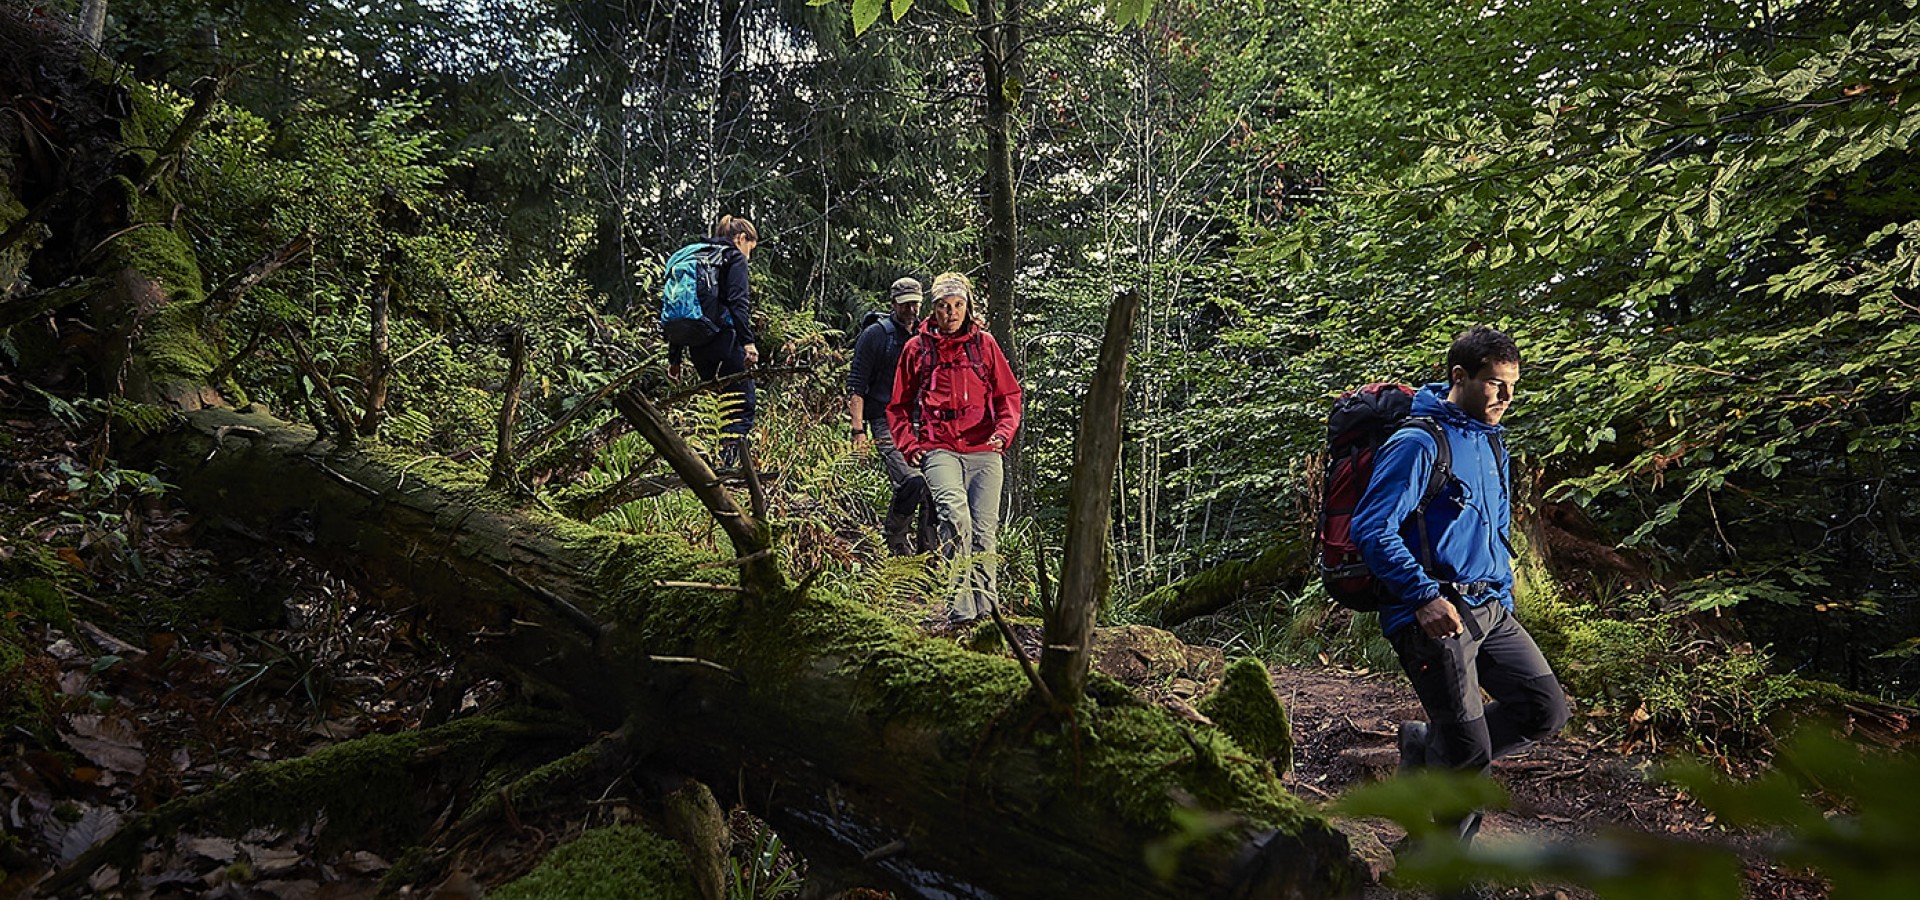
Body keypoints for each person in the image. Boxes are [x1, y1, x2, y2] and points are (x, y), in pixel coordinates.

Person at [1350, 325, 1569, 845]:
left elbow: (1494, 533)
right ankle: (1444, 861)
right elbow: (1371, 529)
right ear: (1459, 377)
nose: (1507, 398)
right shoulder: (1419, 443)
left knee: (1544, 709)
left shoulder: (1492, 444)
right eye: (1496, 384)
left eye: (1513, 386)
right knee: (1470, 752)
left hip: (1491, 608)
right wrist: (1423, 595)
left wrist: (1506, 599)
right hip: (1433, 614)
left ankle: (1428, 745)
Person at [887, 272, 1022, 625]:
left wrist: (1003, 433)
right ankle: (960, 610)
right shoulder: (917, 348)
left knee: (983, 530)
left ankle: (987, 611)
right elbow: (898, 405)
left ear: (968, 305)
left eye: (958, 305)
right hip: (939, 446)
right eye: (945, 306)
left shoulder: (984, 345)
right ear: (933, 309)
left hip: (985, 448)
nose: (951, 313)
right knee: (954, 516)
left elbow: (1009, 395)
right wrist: (908, 444)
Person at [848, 277, 932, 556]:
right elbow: (857, 386)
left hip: (924, 419)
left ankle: (928, 554)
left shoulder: (926, 335)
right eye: (905, 303)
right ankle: (894, 541)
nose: (910, 309)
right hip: (886, 419)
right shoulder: (876, 335)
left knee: (935, 485)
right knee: (911, 480)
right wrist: (858, 431)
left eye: (915, 303)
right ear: (893, 303)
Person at [669, 215, 760, 467]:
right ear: (741, 238)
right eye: (750, 248)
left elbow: (680, 307)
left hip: (697, 348)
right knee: (742, 408)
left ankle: (713, 464)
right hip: (726, 343)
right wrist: (748, 343)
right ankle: (728, 471)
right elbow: (738, 304)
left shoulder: (696, 256)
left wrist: (674, 358)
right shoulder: (734, 258)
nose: (749, 256)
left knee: (719, 407)